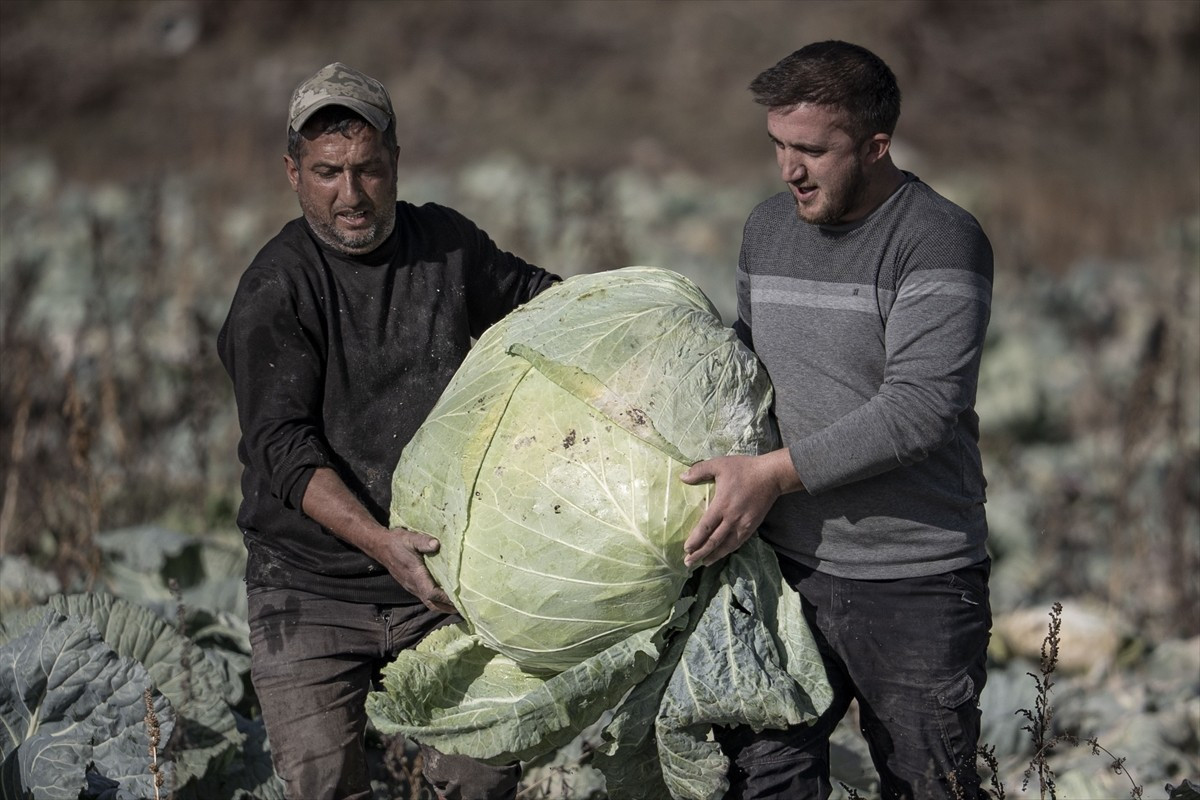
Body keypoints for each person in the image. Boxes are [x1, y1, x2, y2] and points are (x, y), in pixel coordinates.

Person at [217, 62, 560, 800]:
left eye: (368, 170)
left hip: (443, 578)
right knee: (320, 783)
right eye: (327, 172)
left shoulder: (447, 246)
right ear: (292, 172)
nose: (350, 195)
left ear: (396, 161)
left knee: (479, 776)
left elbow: (544, 307)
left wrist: (637, 319)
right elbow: (282, 449)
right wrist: (380, 544)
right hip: (308, 588)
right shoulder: (276, 288)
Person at [680, 41, 994, 799]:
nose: (789, 169)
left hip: (914, 579)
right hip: (782, 575)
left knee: (928, 788)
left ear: (876, 145)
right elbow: (746, 380)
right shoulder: (767, 230)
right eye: (778, 146)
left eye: (812, 151)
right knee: (764, 785)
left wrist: (769, 477)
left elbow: (920, 410)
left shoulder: (938, 238)